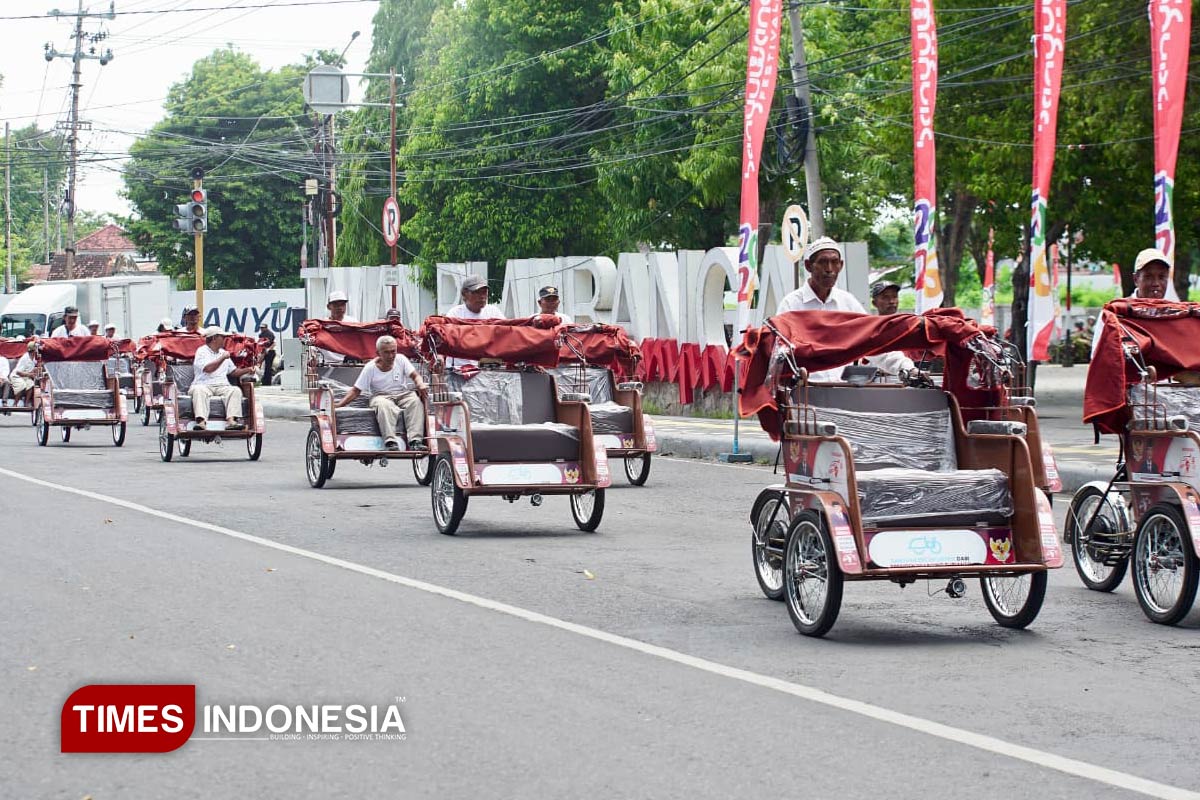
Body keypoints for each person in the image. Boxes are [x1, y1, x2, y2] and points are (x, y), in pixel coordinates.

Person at [776, 237, 867, 382]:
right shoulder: (791, 304)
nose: (829, 269)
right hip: (805, 393)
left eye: (834, 262)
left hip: (844, 390)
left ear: (841, 265)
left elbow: (872, 338)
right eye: (823, 262)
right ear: (808, 266)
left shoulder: (848, 303)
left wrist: (905, 367)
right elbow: (779, 351)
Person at [334, 335, 428, 451]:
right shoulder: (370, 368)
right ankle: (391, 441)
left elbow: (415, 376)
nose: (391, 356)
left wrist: (420, 384)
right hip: (381, 396)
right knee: (384, 406)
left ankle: (415, 441)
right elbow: (356, 390)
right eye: (386, 353)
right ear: (378, 353)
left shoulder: (401, 359)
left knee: (415, 402)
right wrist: (339, 405)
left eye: (393, 352)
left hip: (402, 394)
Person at [1091, 248, 1170, 356]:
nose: (1156, 283)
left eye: (1161, 277)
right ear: (1136, 279)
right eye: (1148, 277)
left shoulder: (1175, 315)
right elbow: (1097, 357)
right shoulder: (1114, 314)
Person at [190, 326, 255, 431]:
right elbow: (208, 369)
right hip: (203, 384)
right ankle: (201, 422)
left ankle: (231, 421)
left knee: (235, 390)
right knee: (199, 391)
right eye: (223, 337)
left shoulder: (223, 352)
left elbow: (233, 372)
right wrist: (222, 358)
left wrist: (248, 369)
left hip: (222, 385)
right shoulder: (202, 351)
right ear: (214, 338)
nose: (225, 339)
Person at [446, 275, 503, 370]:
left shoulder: (494, 312)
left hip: (488, 370)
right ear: (464, 294)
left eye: (484, 292)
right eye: (477, 292)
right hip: (460, 370)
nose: (482, 296)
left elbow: (506, 334)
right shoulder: (455, 314)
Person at [865, 280, 915, 378]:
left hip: (908, 377)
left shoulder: (907, 326)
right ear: (874, 303)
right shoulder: (870, 330)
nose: (892, 301)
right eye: (885, 297)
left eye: (894, 297)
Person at [315, 290, 358, 366]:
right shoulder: (321, 325)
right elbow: (314, 345)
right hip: (327, 364)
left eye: (342, 305)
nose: (340, 308)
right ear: (328, 307)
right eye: (336, 305)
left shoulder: (353, 322)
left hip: (350, 364)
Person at [6, 341, 38, 408]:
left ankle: (26, 403)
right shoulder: (25, 358)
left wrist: (34, 370)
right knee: (21, 385)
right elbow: (18, 372)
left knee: (31, 384)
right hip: (16, 376)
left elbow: (31, 368)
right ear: (33, 349)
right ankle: (15, 403)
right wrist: (30, 375)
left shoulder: (35, 357)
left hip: (25, 376)